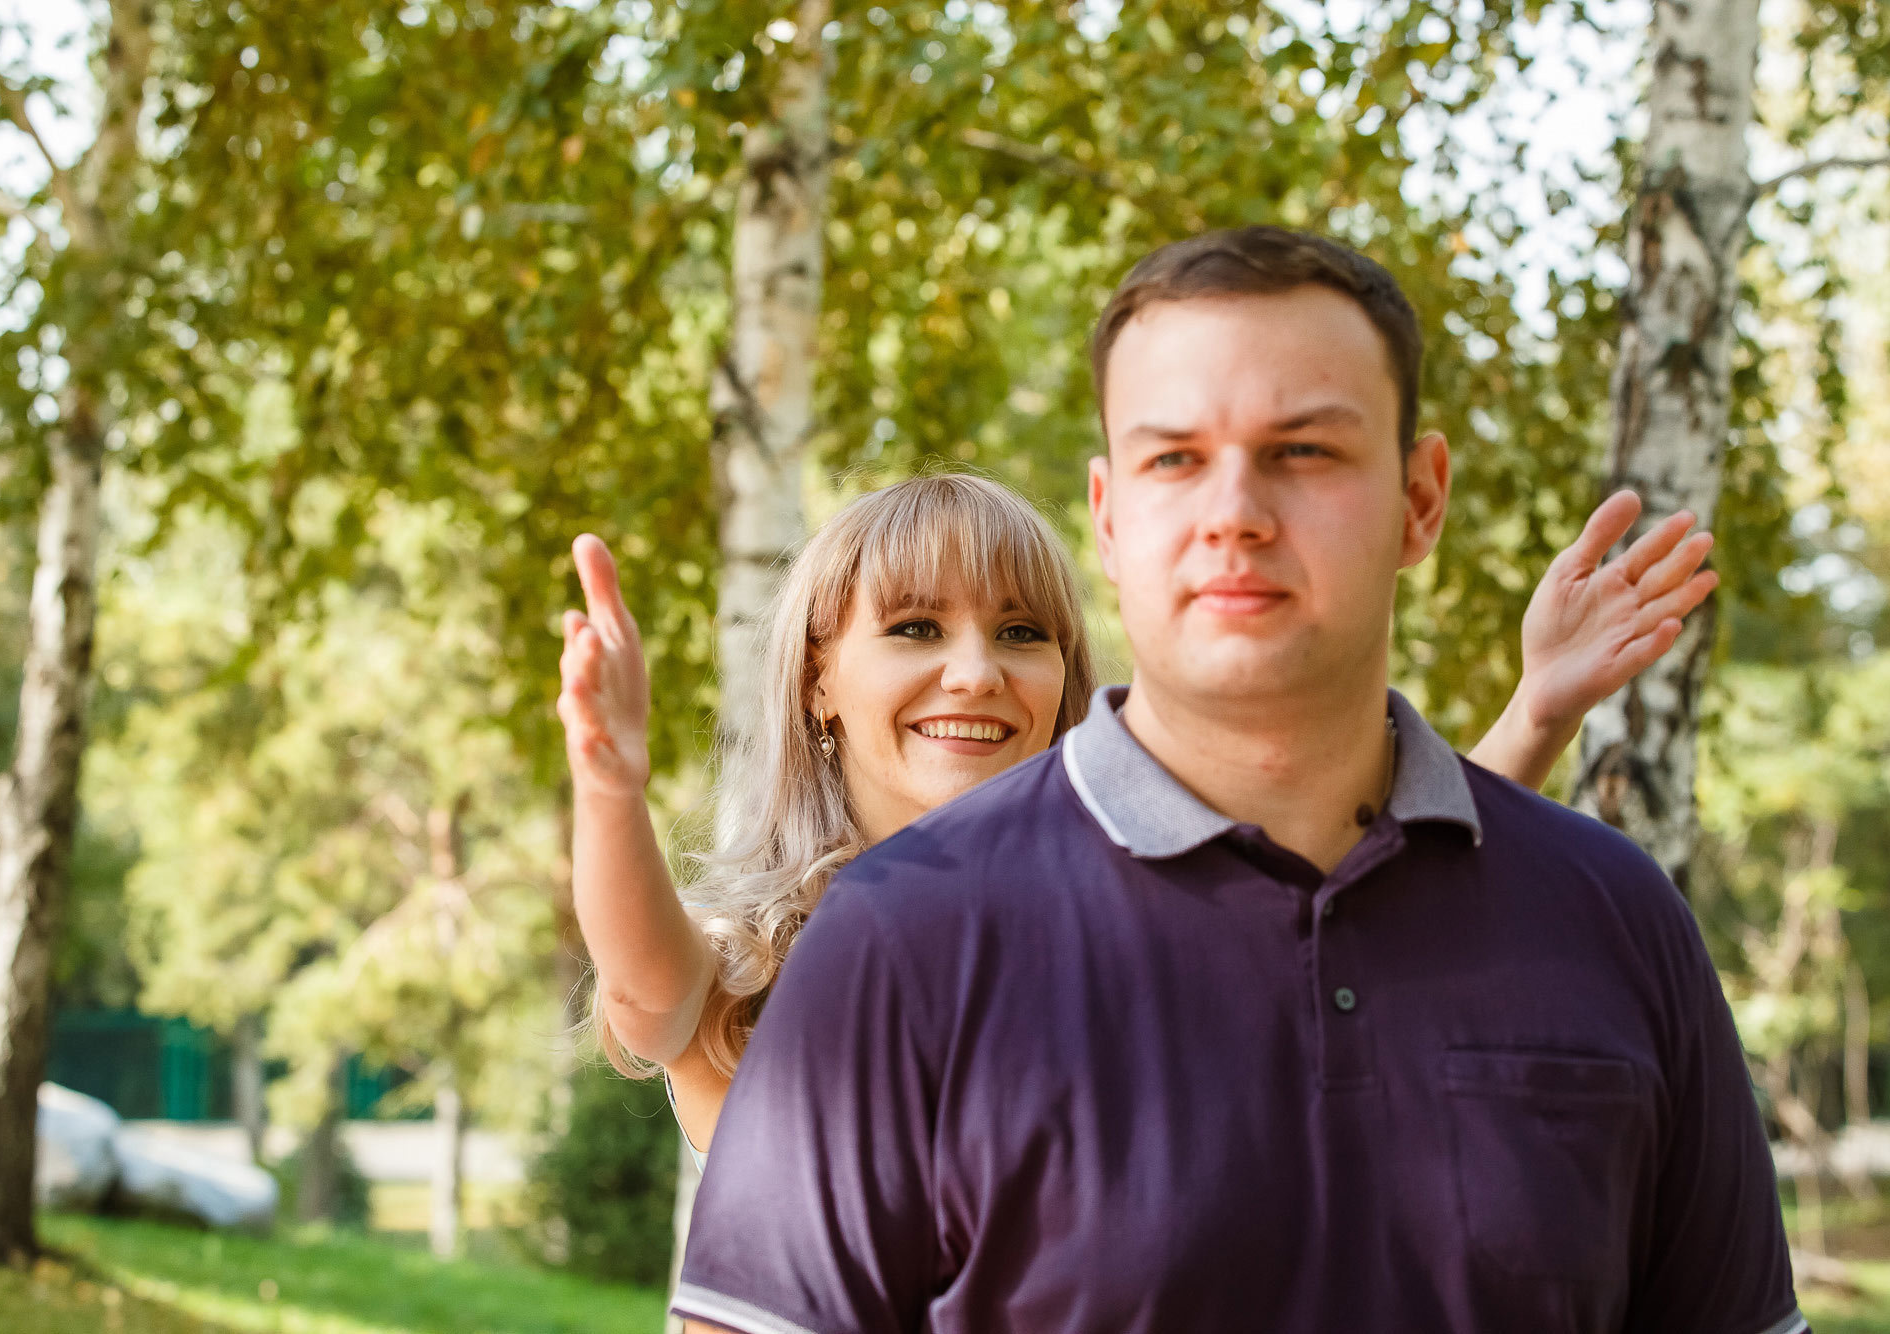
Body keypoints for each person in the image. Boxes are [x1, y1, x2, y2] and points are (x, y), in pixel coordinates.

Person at [664, 227, 1800, 1334]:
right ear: (1109, 518)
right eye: (1175, 458)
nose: (1236, 515)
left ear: (1419, 499)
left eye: (1303, 450)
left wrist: (1535, 708)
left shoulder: (1617, 918)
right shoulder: (887, 942)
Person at [563, 473, 1709, 1158]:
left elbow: (1376, 881)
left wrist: (1536, 708)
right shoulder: (761, 966)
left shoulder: (1150, 926)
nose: (974, 672)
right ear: (817, 676)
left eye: (1020, 633)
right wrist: (610, 785)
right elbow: (649, 991)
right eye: (913, 628)